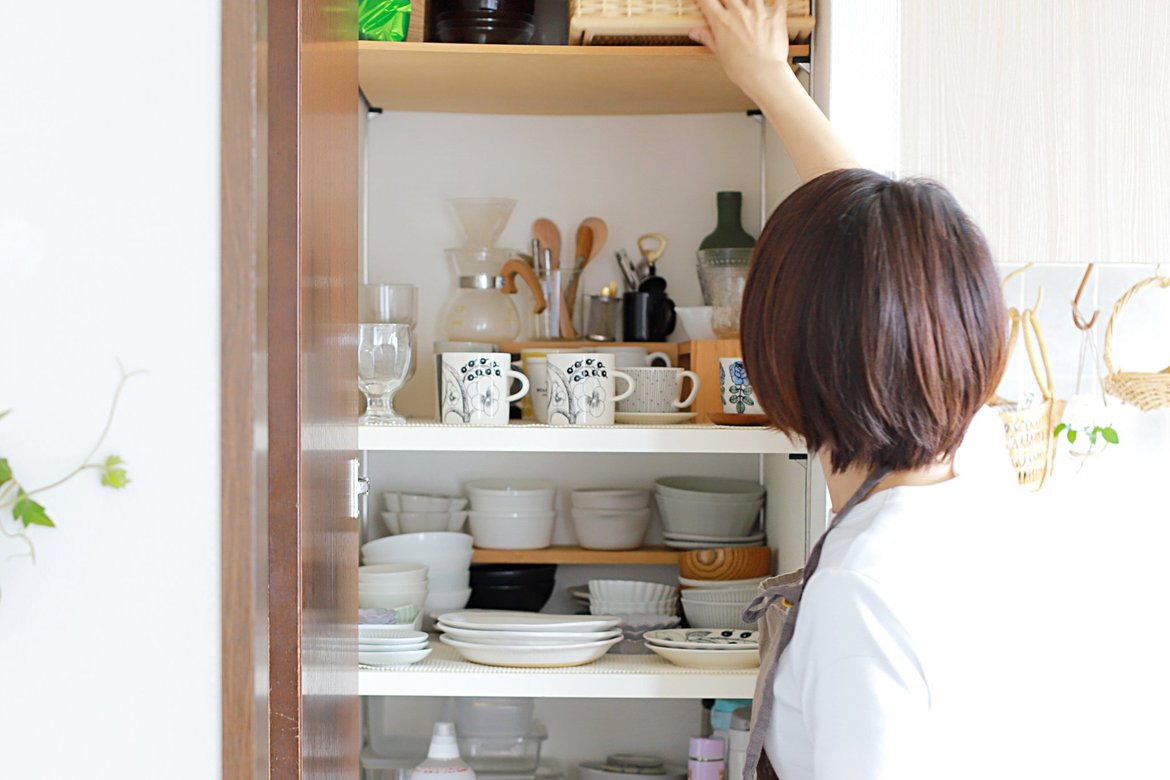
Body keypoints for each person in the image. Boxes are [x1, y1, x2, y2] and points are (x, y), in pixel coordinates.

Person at [689, 2, 1022, 779]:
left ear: (785, 351)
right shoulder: (978, 468)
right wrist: (770, 79)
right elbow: (884, 262)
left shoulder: (861, 593)